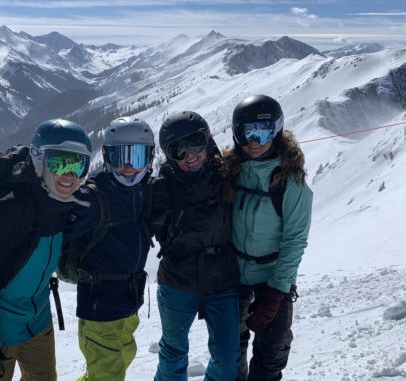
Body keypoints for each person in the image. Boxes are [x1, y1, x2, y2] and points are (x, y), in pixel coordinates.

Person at [0, 119, 92, 381]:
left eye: (77, 164)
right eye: (59, 163)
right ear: (39, 161)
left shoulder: (64, 203)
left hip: (36, 321)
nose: (69, 175)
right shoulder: (13, 208)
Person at [224, 95, 312, 381]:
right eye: (245, 133)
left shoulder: (290, 180)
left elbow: (295, 239)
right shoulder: (229, 171)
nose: (254, 141)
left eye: (262, 132)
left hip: (273, 274)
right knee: (229, 351)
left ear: (276, 131)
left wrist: (277, 291)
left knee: (272, 353)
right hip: (234, 272)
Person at [151, 111, 242, 381]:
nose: (191, 155)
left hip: (222, 278)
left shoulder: (228, 173)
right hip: (177, 280)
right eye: (179, 150)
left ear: (208, 139)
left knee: (227, 357)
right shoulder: (161, 187)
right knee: (173, 353)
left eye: (195, 144)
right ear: (169, 154)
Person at [64, 116, 155, 381]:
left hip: (129, 302)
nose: (127, 167)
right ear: (106, 157)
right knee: (108, 373)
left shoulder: (144, 192)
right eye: (119, 157)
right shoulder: (91, 198)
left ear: (149, 158)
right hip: (99, 306)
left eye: (136, 157)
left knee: (123, 357)